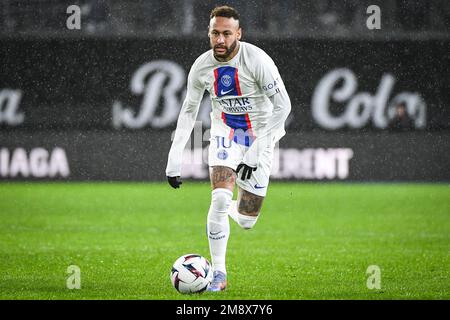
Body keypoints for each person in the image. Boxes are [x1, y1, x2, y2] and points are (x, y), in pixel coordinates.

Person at [165, 5, 291, 292]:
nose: (219, 40)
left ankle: (237, 212)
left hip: (261, 135)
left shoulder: (257, 60)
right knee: (220, 198)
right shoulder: (201, 66)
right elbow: (188, 111)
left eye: (226, 33)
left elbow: (284, 107)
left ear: (238, 33)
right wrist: (174, 159)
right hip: (225, 133)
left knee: (247, 220)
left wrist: (257, 149)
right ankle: (218, 274)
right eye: (214, 33)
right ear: (208, 34)